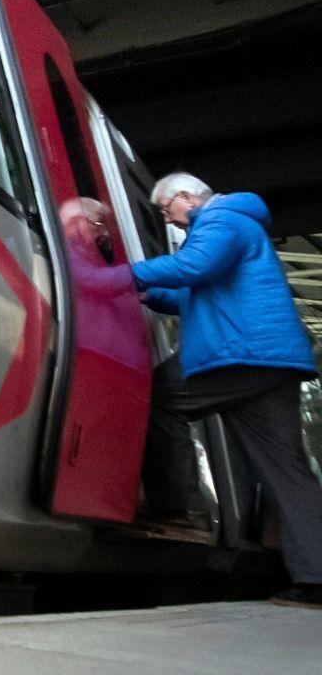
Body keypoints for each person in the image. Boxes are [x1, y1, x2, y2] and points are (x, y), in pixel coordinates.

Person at [132, 172, 322, 610]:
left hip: (241, 353)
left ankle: (177, 506)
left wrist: (126, 273)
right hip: (271, 364)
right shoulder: (238, 223)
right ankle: (316, 580)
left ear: (185, 197)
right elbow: (200, 295)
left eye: (166, 211)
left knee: (160, 395)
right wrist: (151, 294)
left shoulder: (219, 219)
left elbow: (195, 267)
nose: (172, 222)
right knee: (289, 473)